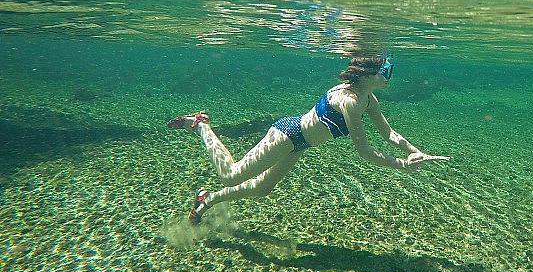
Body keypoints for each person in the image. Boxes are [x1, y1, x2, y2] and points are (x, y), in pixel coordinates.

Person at [167, 55, 449, 224]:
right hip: (287, 134)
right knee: (231, 175)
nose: (389, 77)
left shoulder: (368, 99)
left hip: (300, 144)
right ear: (368, 74)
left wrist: (416, 152)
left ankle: (207, 199)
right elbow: (363, 150)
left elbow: (388, 134)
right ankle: (200, 124)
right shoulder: (349, 102)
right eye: (385, 71)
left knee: (262, 188)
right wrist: (401, 164)